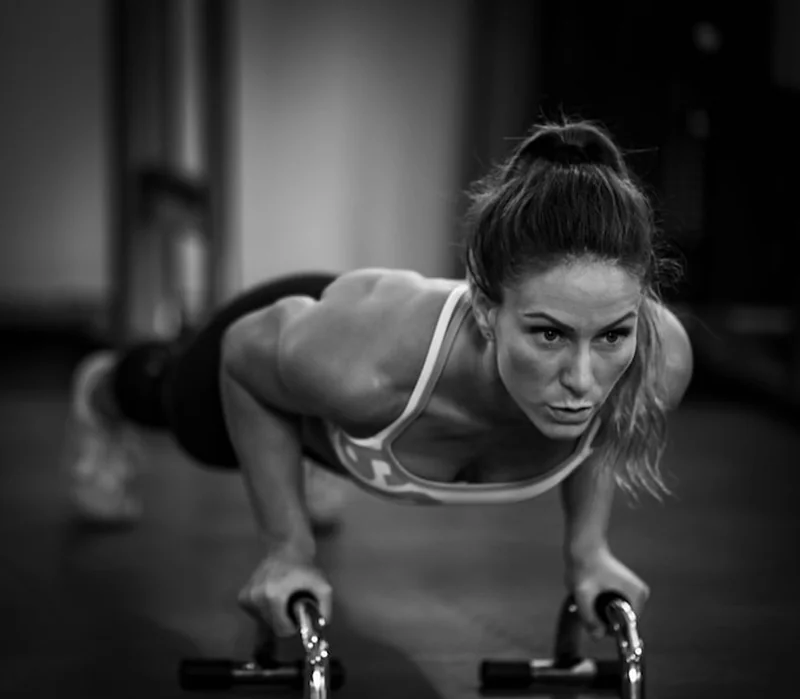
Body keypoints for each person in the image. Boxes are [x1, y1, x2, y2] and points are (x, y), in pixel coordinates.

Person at [64, 118, 693, 642]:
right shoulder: (358, 371)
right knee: (190, 418)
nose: (584, 379)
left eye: (611, 335)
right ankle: (103, 391)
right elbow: (241, 356)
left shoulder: (656, 358)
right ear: (485, 310)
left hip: (350, 381)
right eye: (549, 334)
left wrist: (588, 552)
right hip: (313, 335)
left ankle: (311, 451)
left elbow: (605, 421)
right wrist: (289, 547)